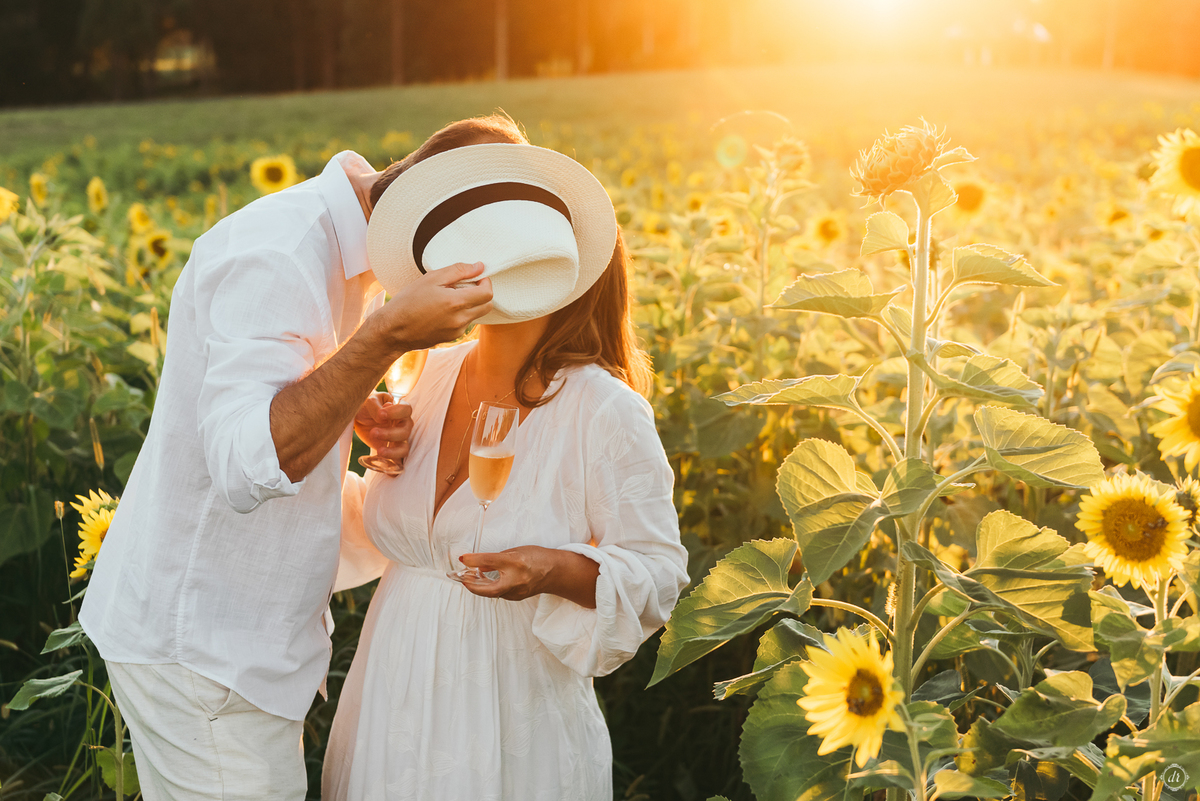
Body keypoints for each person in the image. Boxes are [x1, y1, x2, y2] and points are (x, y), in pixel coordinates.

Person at [78, 139, 494, 800]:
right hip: (205, 649)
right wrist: (383, 336)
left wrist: (348, 399)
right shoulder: (278, 255)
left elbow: (258, 395)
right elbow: (245, 461)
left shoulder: (351, 249)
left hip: (240, 640)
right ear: (429, 222)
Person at [323, 116, 689, 801]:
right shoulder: (424, 376)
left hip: (511, 706)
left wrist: (551, 568)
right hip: (390, 690)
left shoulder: (601, 409)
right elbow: (383, 532)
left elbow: (659, 572)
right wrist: (345, 447)